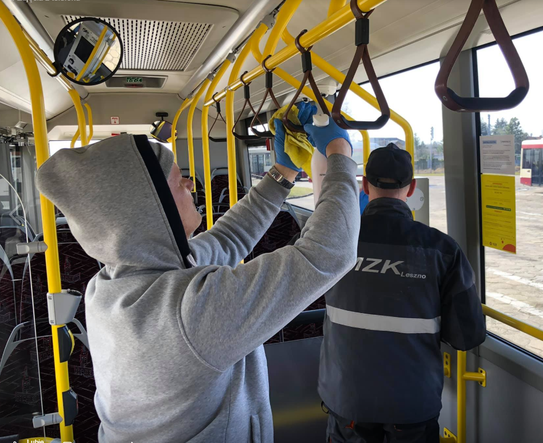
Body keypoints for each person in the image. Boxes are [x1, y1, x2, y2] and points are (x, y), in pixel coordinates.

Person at [35, 102, 360, 443]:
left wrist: (281, 173)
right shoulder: (188, 312)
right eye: (179, 182)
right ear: (152, 208)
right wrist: (339, 154)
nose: (191, 185)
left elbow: (229, 238)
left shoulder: (114, 282)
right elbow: (329, 253)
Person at [318, 143, 486, 443]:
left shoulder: (335, 242)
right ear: (410, 190)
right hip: (412, 402)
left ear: (365, 186)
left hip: (346, 398)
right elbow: (467, 336)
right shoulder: (442, 250)